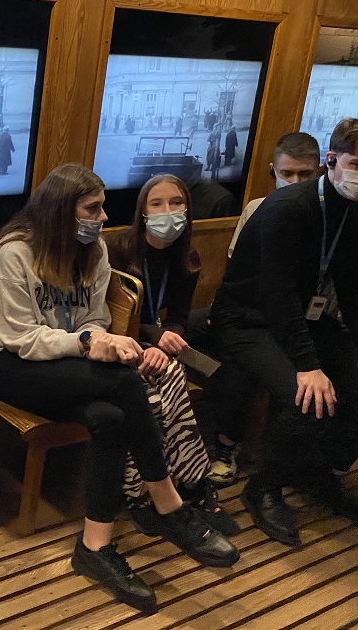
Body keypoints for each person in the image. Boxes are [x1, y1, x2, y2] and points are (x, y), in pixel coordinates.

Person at [0, 163, 238, 614]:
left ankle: (94, 547)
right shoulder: (12, 254)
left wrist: (104, 340)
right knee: (123, 383)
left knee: (110, 417)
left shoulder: (94, 250)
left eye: (101, 208)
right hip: (11, 364)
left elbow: (95, 318)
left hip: (69, 361)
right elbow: (20, 337)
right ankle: (168, 503)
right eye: (92, 209)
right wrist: (86, 342)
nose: (102, 217)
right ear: (61, 211)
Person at [209, 118, 358, 548]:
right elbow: (275, 293)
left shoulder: (353, 210)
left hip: (302, 318)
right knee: (304, 398)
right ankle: (264, 487)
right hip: (248, 320)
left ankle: (317, 472)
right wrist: (308, 365)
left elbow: (350, 283)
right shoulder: (287, 209)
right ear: (331, 161)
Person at [105, 175, 239, 538]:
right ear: (143, 212)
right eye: (157, 203)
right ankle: (185, 484)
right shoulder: (117, 251)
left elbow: (178, 317)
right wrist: (154, 338)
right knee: (160, 389)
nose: (168, 211)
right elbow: (111, 319)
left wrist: (167, 340)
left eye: (177, 203)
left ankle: (154, 490)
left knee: (167, 386)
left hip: (153, 348)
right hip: (116, 343)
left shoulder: (187, 257)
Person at [200, 132, 321, 488]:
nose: (295, 182)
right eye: (287, 174)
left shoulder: (322, 213)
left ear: (320, 172)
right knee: (241, 366)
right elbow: (236, 269)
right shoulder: (258, 208)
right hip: (250, 315)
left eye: (305, 174)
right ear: (273, 171)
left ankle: (285, 457)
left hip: (297, 316)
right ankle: (227, 446)